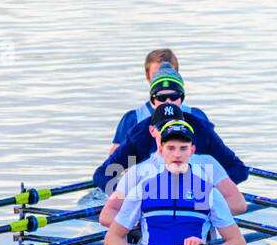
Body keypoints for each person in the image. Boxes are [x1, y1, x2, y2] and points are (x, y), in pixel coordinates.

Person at [103, 117, 249, 245]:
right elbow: (112, 239)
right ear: (161, 151)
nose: (177, 155)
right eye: (171, 148)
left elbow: (238, 243)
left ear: (192, 151)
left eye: (183, 148)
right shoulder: (143, 189)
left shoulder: (207, 191)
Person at [94, 66, 247, 193]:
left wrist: (209, 192)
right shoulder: (139, 133)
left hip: (195, 201)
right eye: (161, 98)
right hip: (151, 201)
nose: (168, 102)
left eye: (174, 96)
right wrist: (124, 197)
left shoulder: (201, 128)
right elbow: (103, 174)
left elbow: (238, 169)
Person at [98, 104, 245, 227]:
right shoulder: (139, 171)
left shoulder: (206, 163)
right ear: (152, 131)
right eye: (164, 128)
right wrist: (134, 220)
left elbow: (238, 203)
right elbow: (107, 214)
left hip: (196, 239)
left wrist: (198, 214)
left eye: (175, 126)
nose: (170, 132)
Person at [108, 50, 206, 154]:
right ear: (148, 77)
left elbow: (213, 157)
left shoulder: (196, 116)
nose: (162, 77)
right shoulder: (133, 119)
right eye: (156, 74)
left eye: (169, 73)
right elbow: (116, 164)